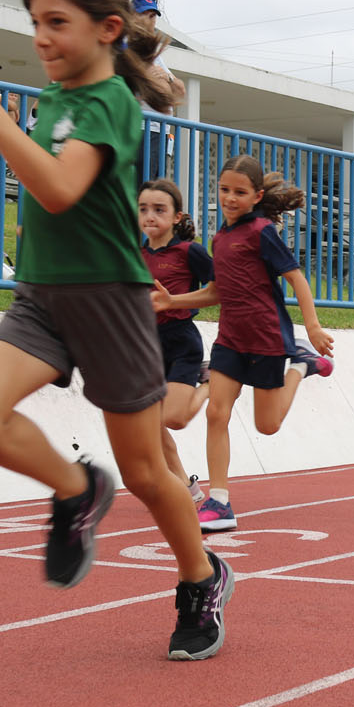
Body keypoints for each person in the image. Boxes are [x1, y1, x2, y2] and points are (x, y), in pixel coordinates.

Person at [0, 0, 232, 661]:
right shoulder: (58, 99)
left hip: (109, 301)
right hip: (42, 295)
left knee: (147, 472)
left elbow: (60, 189)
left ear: (107, 30)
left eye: (56, 23)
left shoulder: (108, 104)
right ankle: (75, 490)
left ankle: (201, 577)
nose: (41, 37)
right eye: (34, 22)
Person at [152, 154, 335, 532]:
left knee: (267, 426)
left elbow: (297, 279)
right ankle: (219, 501)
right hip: (229, 339)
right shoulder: (219, 238)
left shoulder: (262, 232)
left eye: (239, 192)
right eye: (224, 190)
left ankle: (299, 367)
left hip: (266, 337)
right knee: (216, 413)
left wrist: (313, 327)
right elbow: (215, 292)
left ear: (257, 196)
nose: (230, 198)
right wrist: (174, 300)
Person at [139, 178, 216, 510]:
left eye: (159, 210)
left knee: (174, 420)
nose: (150, 216)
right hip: (145, 345)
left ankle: (210, 381)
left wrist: (174, 301)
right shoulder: (135, 254)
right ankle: (188, 489)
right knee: (150, 427)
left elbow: (221, 290)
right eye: (144, 209)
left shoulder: (190, 252)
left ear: (176, 216)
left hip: (181, 340)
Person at [132, 0, 186, 180]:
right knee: (140, 194)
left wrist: (168, 79)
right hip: (139, 130)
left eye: (153, 16)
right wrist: (161, 82)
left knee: (153, 194)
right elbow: (151, 85)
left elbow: (180, 92)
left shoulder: (154, 51)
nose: (149, 21)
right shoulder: (125, 45)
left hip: (159, 132)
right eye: (143, 14)